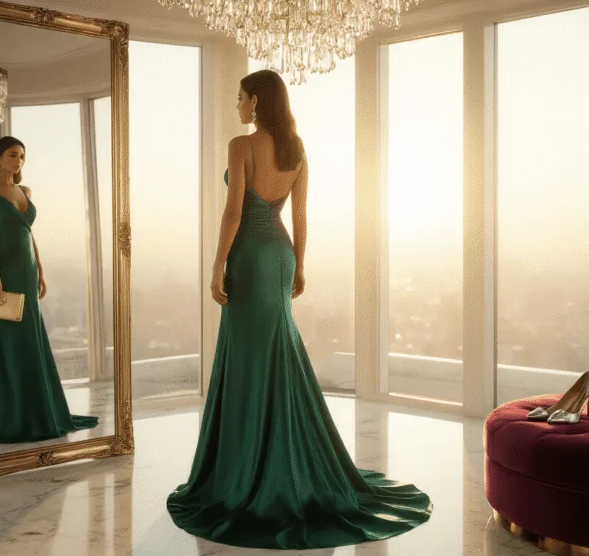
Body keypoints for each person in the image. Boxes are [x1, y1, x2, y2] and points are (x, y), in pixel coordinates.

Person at [166, 70, 432, 549]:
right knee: (277, 355)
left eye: (240, 97)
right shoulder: (296, 148)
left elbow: (232, 212)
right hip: (282, 255)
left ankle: (245, 471)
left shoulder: (241, 145)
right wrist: (301, 265)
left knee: (248, 360)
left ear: (257, 102)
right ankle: (283, 460)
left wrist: (215, 265)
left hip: (248, 256)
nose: (237, 106)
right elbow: (302, 215)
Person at [0, 136, 98, 444]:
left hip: (26, 270)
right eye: (13, 155)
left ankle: (36, 409)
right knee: (9, 338)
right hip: (3, 271)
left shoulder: (24, 191)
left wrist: (40, 268)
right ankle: (9, 414)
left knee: (30, 336)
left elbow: (28, 233)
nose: (19, 161)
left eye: (22, 156)